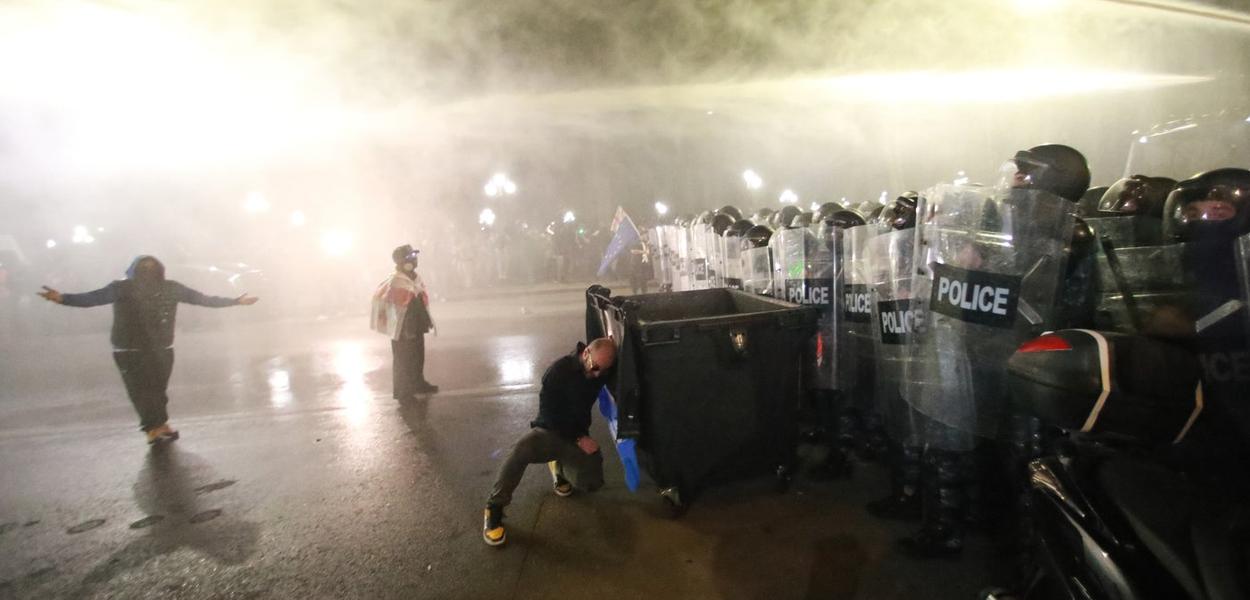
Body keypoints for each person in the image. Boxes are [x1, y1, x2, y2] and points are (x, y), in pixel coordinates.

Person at [36, 255, 258, 444]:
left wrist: (235, 301)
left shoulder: (148, 287)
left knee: (153, 389)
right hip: (135, 349)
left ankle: (159, 425)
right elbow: (203, 300)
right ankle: (153, 429)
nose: (148, 273)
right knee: (145, 390)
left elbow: (201, 299)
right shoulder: (136, 288)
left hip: (151, 347)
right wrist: (63, 298)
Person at [483, 337, 617, 547]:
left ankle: (559, 469)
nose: (598, 374)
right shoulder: (557, 372)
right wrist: (578, 438)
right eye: (595, 367)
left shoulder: (599, 372)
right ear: (585, 354)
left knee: (592, 482)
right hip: (551, 431)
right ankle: (494, 509)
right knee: (521, 450)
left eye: (603, 370)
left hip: (576, 436)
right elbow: (548, 415)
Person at [372, 244, 438, 400]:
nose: (414, 259)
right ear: (401, 261)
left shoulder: (414, 277)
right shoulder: (396, 280)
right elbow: (397, 308)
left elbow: (420, 299)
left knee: (418, 355)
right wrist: (404, 327)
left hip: (416, 323)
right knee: (403, 358)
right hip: (402, 327)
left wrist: (425, 319)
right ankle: (402, 391)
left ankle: (418, 383)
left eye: (414, 256)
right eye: (409, 257)